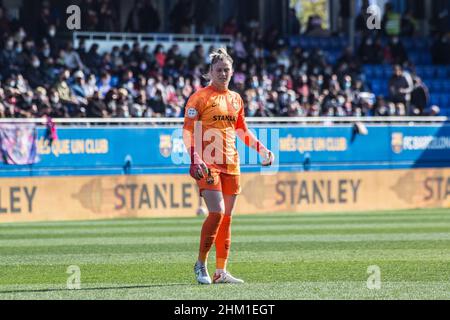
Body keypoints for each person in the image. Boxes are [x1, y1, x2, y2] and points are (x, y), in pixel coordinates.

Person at [183, 48, 274, 285]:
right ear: (210, 72)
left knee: (227, 219)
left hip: (231, 164)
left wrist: (261, 149)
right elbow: (187, 131)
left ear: (232, 72)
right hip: (207, 163)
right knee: (217, 212)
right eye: (218, 70)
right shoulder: (199, 98)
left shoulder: (236, 99)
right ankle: (200, 263)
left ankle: (220, 271)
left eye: (227, 70)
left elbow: (242, 130)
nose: (223, 74)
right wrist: (195, 158)